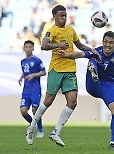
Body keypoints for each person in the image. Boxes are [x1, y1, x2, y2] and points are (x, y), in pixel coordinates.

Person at [26, 5, 99, 146]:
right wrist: (58, 45)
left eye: (65, 15)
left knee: (72, 102)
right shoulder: (51, 30)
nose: (64, 18)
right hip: (56, 69)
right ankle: (32, 127)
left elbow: (79, 45)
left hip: (70, 70)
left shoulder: (71, 30)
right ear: (55, 17)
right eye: (61, 16)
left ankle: (56, 132)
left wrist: (92, 50)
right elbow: (43, 45)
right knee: (48, 101)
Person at [19, 40, 46, 138]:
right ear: (24, 48)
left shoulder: (37, 60)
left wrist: (33, 75)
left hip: (35, 90)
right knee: (23, 111)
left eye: (30, 47)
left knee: (35, 110)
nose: (28, 49)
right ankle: (33, 125)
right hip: (26, 91)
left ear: (33, 48)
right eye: (26, 47)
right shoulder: (23, 61)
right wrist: (21, 77)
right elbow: (25, 72)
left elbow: (44, 72)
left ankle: (41, 130)